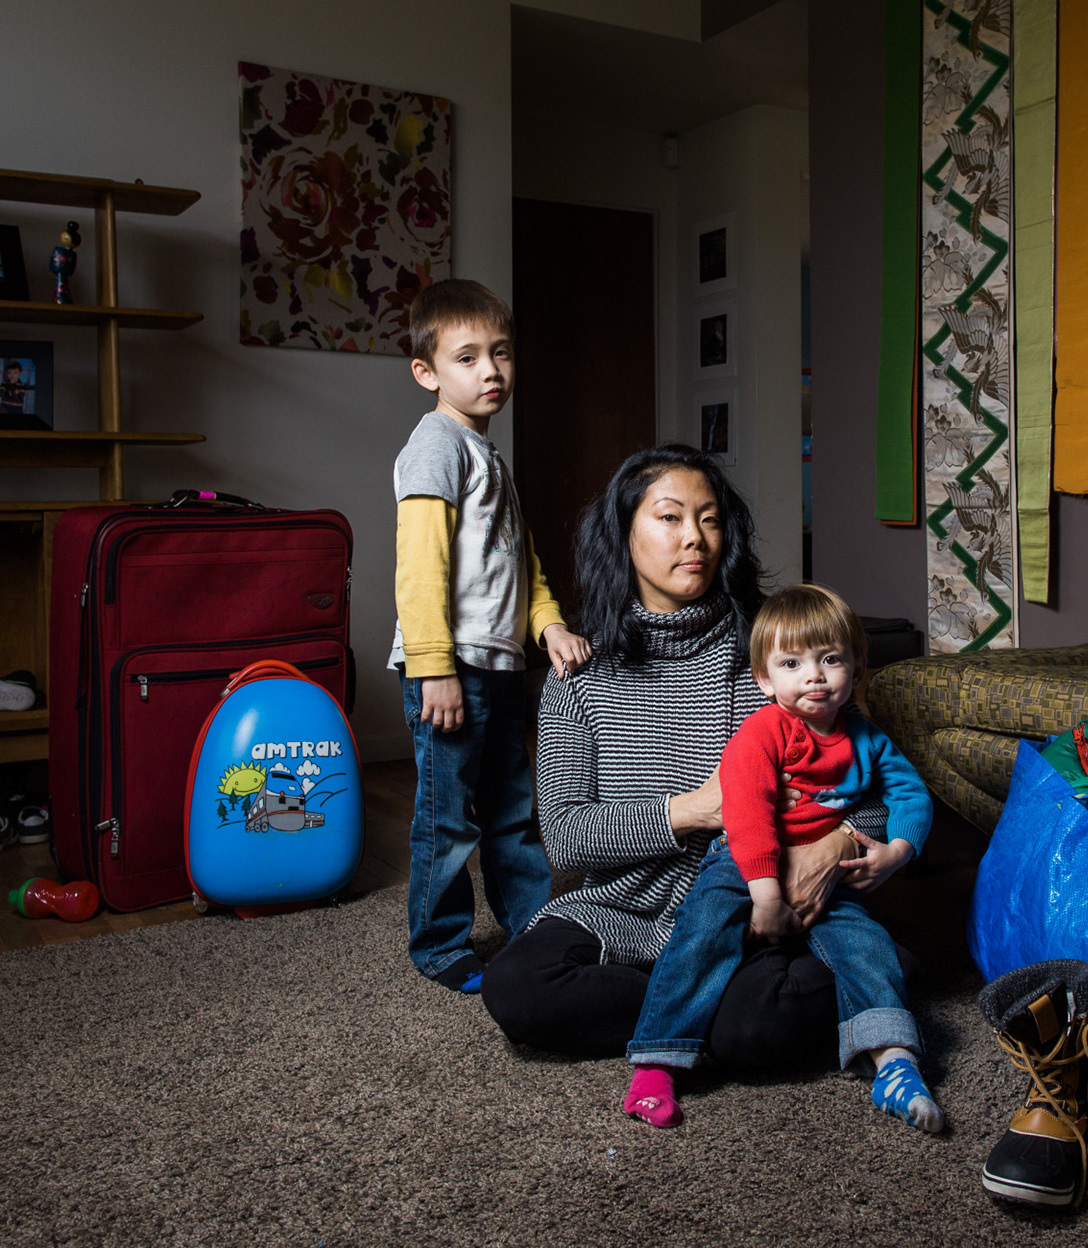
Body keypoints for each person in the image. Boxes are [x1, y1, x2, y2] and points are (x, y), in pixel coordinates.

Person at [480, 445, 890, 1065]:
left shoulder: (773, 656)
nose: (693, 538)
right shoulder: (580, 676)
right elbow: (564, 836)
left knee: (756, 1029)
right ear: (624, 534)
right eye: (670, 518)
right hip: (623, 911)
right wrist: (693, 811)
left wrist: (837, 844)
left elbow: (873, 787)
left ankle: (707, 1010)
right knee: (517, 989)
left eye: (709, 518)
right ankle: (703, 1006)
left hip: (751, 914)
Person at [621, 585, 939, 1132]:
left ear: (857, 669)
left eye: (830, 659)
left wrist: (898, 851)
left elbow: (910, 796)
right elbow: (745, 813)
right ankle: (657, 1062)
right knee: (702, 931)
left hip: (821, 870)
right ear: (765, 680)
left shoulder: (867, 739)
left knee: (864, 943)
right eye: (792, 663)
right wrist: (765, 895)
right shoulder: (764, 730)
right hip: (742, 860)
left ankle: (893, 1064)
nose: (813, 676)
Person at [389, 278, 592, 992]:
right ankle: (440, 946)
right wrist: (433, 665)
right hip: (451, 670)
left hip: (502, 665)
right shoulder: (436, 447)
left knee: (513, 807)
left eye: (500, 354)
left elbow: (521, 559)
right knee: (448, 818)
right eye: (468, 357)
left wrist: (549, 624)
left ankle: (532, 922)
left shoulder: (488, 456)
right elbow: (420, 568)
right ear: (427, 372)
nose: (491, 371)